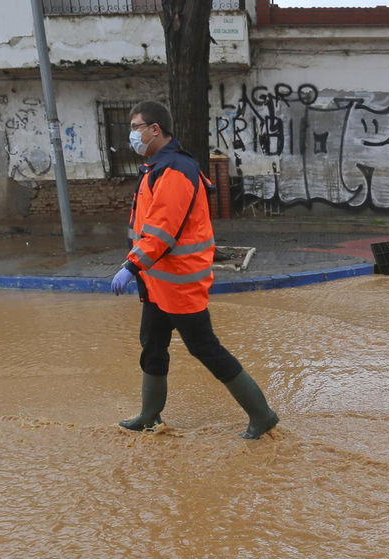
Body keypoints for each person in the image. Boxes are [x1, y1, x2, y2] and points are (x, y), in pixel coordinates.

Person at [110, 100, 279, 439]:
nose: (132, 135)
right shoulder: (158, 167)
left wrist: (130, 266)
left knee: (205, 348)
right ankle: (149, 415)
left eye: (135, 127)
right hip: (158, 283)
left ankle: (262, 415)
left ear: (155, 129)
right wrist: (139, 270)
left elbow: (161, 231)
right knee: (153, 346)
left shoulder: (173, 171)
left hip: (179, 284)